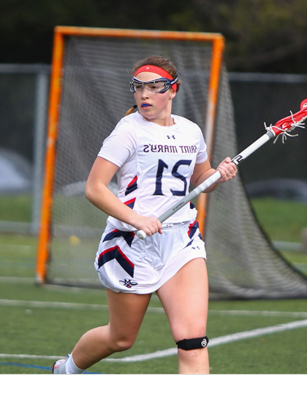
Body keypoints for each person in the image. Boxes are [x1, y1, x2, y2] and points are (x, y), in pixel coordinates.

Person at [53, 56, 239, 376]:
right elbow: (94, 188)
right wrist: (137, 220)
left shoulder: (190, 131)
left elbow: (200, 179)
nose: (145, 95)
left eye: (155, 87)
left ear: (173, 90)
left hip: (181, 240)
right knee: (121, 338)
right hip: (131, 244)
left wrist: (218, 175)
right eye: (138, 88)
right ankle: (67, 370)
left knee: (192, 341)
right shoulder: (128, 132)